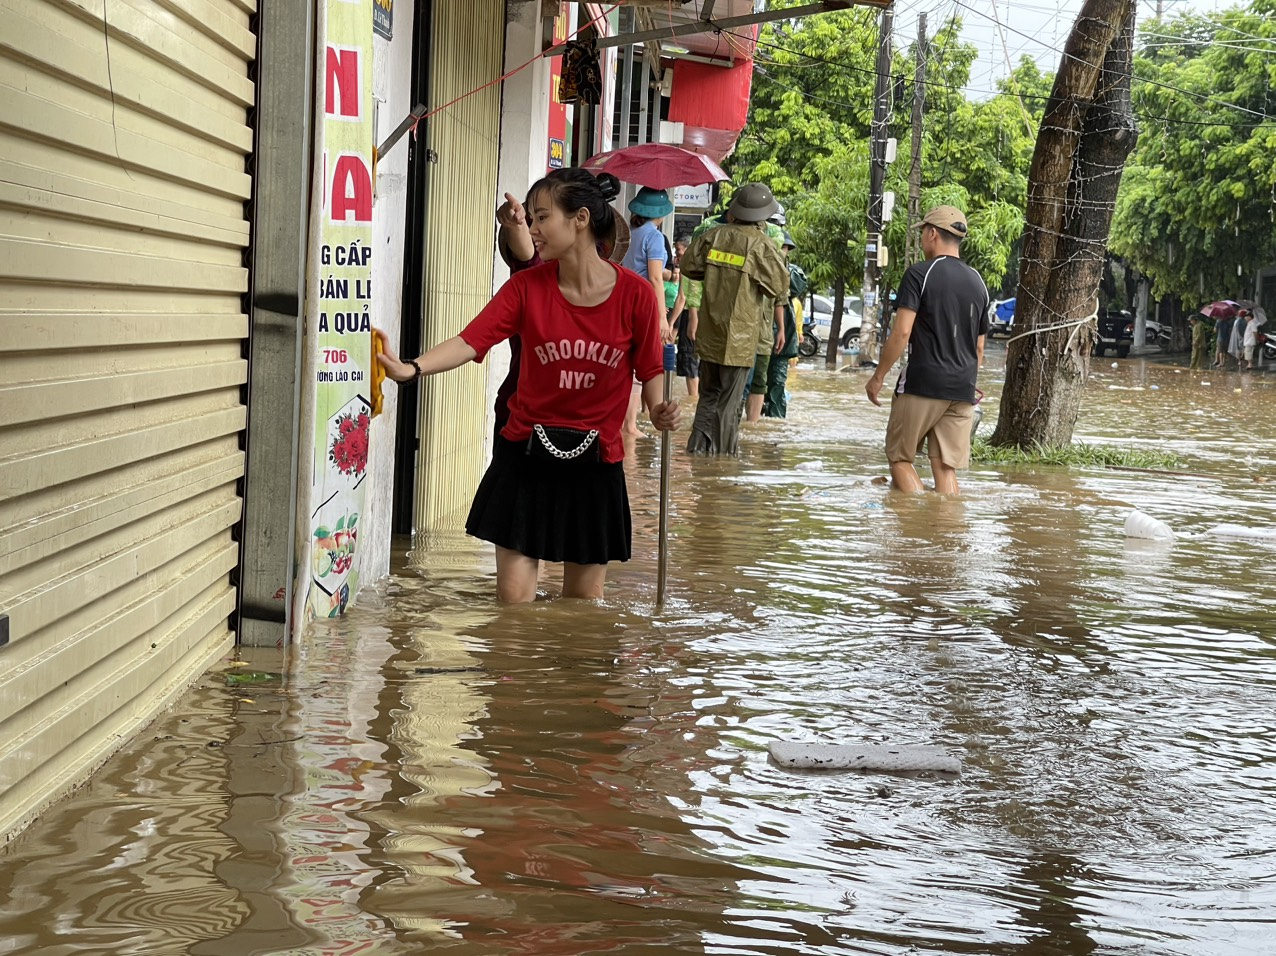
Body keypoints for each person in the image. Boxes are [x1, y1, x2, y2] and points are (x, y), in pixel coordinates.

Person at [377, 168, 680, 603]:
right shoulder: (525, 288)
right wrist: (412, 368)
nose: (534, 229)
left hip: (596, 465)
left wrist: (659, 410)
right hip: (524, 457)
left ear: (579, 219)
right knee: (512, 607)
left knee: (582, 610)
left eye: (542, 218)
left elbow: (650, 372)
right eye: (531, 219)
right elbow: (470, 340)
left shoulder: (635, 296)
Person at [865, 205, 989, 495]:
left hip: (923, 381)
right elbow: (979, 347)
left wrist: (878, 376)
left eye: (923, 233)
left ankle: (917, 522)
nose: (922, 239)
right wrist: (962, 378)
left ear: (932, 234)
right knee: (945, 466)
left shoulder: (919, 274)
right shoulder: (978, 282)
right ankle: (946, 528)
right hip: (963, 389)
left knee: (899, 458)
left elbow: (902, 331)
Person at [680, 183, 790, 455]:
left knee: (707, 398)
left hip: (710, 332)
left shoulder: (712, 236)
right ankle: (722, 463)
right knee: (730, 404)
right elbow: (779, 287)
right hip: (740, 339)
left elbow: (689, 268)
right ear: (762, 215)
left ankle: (697, 452)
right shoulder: (762, 244)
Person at [620, 186, 674, 436]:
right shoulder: (655, 237)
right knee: (644, 366)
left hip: (623, 302)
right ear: (661, 213)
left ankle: (627, 423)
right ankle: (630, 426)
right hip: (644, 307)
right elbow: (654, 278)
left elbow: (640, 267)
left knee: (627, 364)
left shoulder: (632, 234)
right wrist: (663, 317)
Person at [763, 232, 809, 418]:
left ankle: (775, 421)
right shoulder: (760, 264)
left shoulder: (793, 271)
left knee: (777, 383)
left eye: (784, 248)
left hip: (781, 338)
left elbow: (796, 287)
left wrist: (781, 265)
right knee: (754, 383)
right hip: (758, 333)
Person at [668, 234, 701, 400]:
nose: (677, 255)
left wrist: (670, 322)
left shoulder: (688, 268)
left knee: (690, 362)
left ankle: (693, 400)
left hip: (691, 316)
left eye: (679, 250)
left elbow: (682, 298)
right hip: (702, 317)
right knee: (698, 362)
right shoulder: (701, 265)